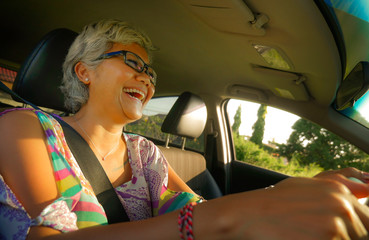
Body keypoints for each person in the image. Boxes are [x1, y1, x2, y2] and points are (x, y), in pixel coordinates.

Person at [0, 19, 369, 240]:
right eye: (132, 62)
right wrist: (230, 216)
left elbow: (199, 211)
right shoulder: (26, 128)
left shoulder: (146, 154)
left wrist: (287, 194)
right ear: (85, 71)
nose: (145, 79)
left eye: (150, 73)